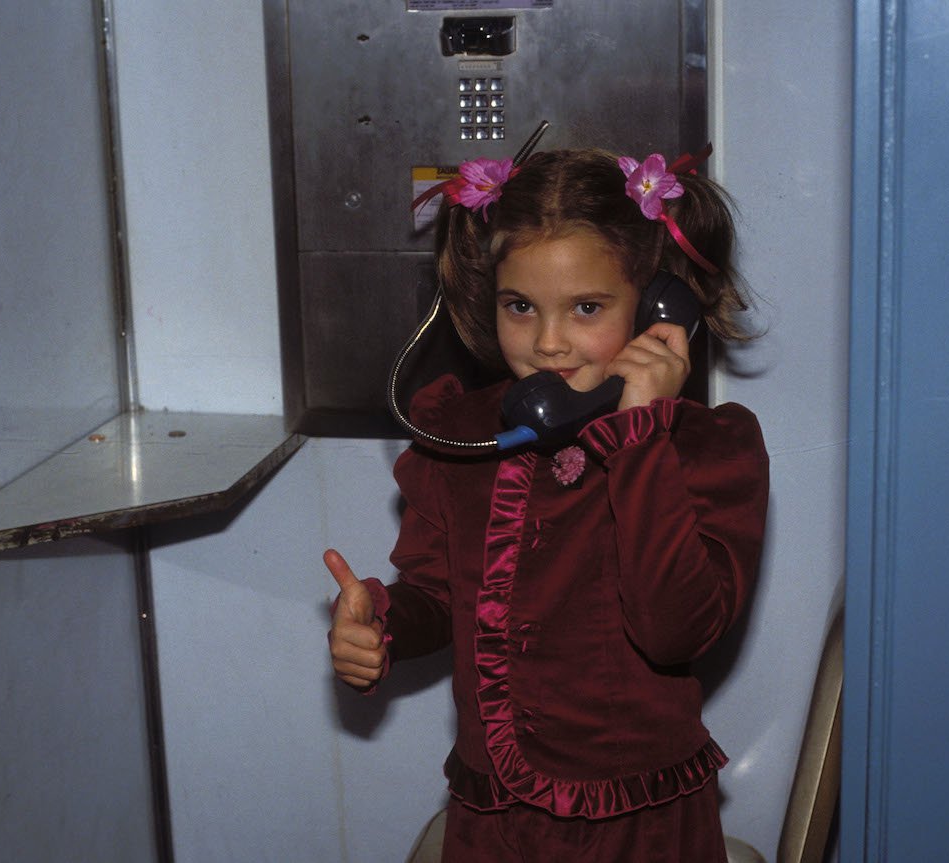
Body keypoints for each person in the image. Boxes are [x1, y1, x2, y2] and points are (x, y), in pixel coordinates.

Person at [326, 146, 769, 862]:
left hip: (640, 823)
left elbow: (674, 631)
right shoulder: (463, 436)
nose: (549, 341)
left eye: (587, 307)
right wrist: (380, 623)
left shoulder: (711, 451)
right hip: (495, 818)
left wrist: (639, 439)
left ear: (661, 308)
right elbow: (439, 592)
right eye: (520, 307)